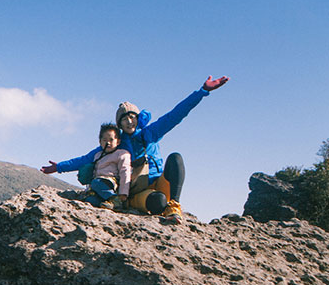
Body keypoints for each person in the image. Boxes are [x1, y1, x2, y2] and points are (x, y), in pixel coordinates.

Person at [42, 75, 230, 221]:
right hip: (139, 191)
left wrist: (203, 91)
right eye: (124, 118)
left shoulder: (151, 133)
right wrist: (59, 167)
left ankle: (174, 206)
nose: (129, 120)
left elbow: (176, 114)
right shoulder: (117, 144)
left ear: (138, 119)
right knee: (157, 203)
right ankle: (134, 203)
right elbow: (87, 158)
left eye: (132, 116)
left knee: (176, 158)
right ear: (119, 123)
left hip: (160, 182)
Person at [81, 123, 131, 210]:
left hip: (110, 182)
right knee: (90, 200)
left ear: (118, 141)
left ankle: (115, 200)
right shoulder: (98, 155)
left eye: (111, 140)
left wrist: (123, 193)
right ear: (100, 142)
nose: (108, 142)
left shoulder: (121, 154)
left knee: (96, 183)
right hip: (97, 184)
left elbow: (125, 173)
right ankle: (108, 203)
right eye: (104, 140)